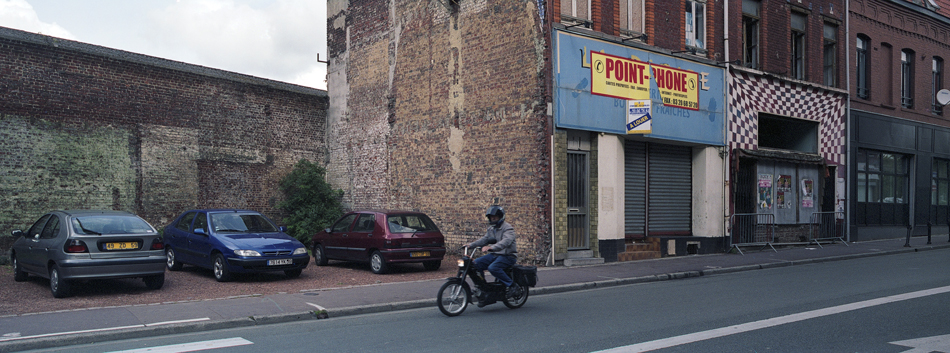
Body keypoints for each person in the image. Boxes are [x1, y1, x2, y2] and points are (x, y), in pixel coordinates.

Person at [465, 205, 518, 306]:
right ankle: (484, 288)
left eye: (495, 217)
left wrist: (492, 248)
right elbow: (484, 240)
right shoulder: (491, 229)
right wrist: (470, 245)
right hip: (495, 255)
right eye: (491, 217)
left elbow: (506, 241)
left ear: (500, 217)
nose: (493, 219)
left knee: (493, 268)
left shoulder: (508, 228)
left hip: (508, 256)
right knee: (475, 264)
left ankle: (512, 285)